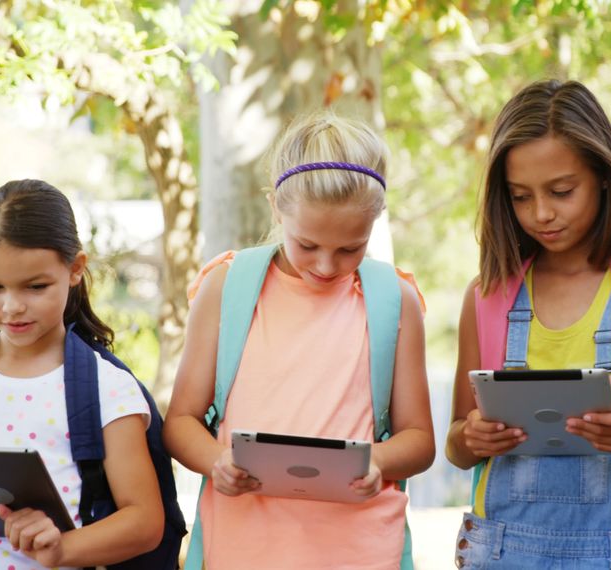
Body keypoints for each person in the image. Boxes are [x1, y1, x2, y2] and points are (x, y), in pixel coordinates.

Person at [445, 79, 611, 569]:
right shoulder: (486, 296)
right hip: (499, 550)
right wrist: (471, 437)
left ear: (604, 175)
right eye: (520, 196)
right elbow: (457, 446)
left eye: (562, 191)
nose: (541, 213)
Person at [163, 112, 435, 568]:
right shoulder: (226, 287)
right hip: (244, 548)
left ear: (376, 220)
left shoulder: (395, 299)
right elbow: (180, 422)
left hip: (361, 552)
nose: (327, 266)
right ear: (276, 207)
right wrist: (216, 462)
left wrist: (378, 462)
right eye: (307, 244)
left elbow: (420, 440)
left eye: (351, 248)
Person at [0, 180, 165, 568]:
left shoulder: (107, 389)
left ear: (75, 269)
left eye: (36, 286)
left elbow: (144, 522)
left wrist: (63, 549)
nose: (11, 306)